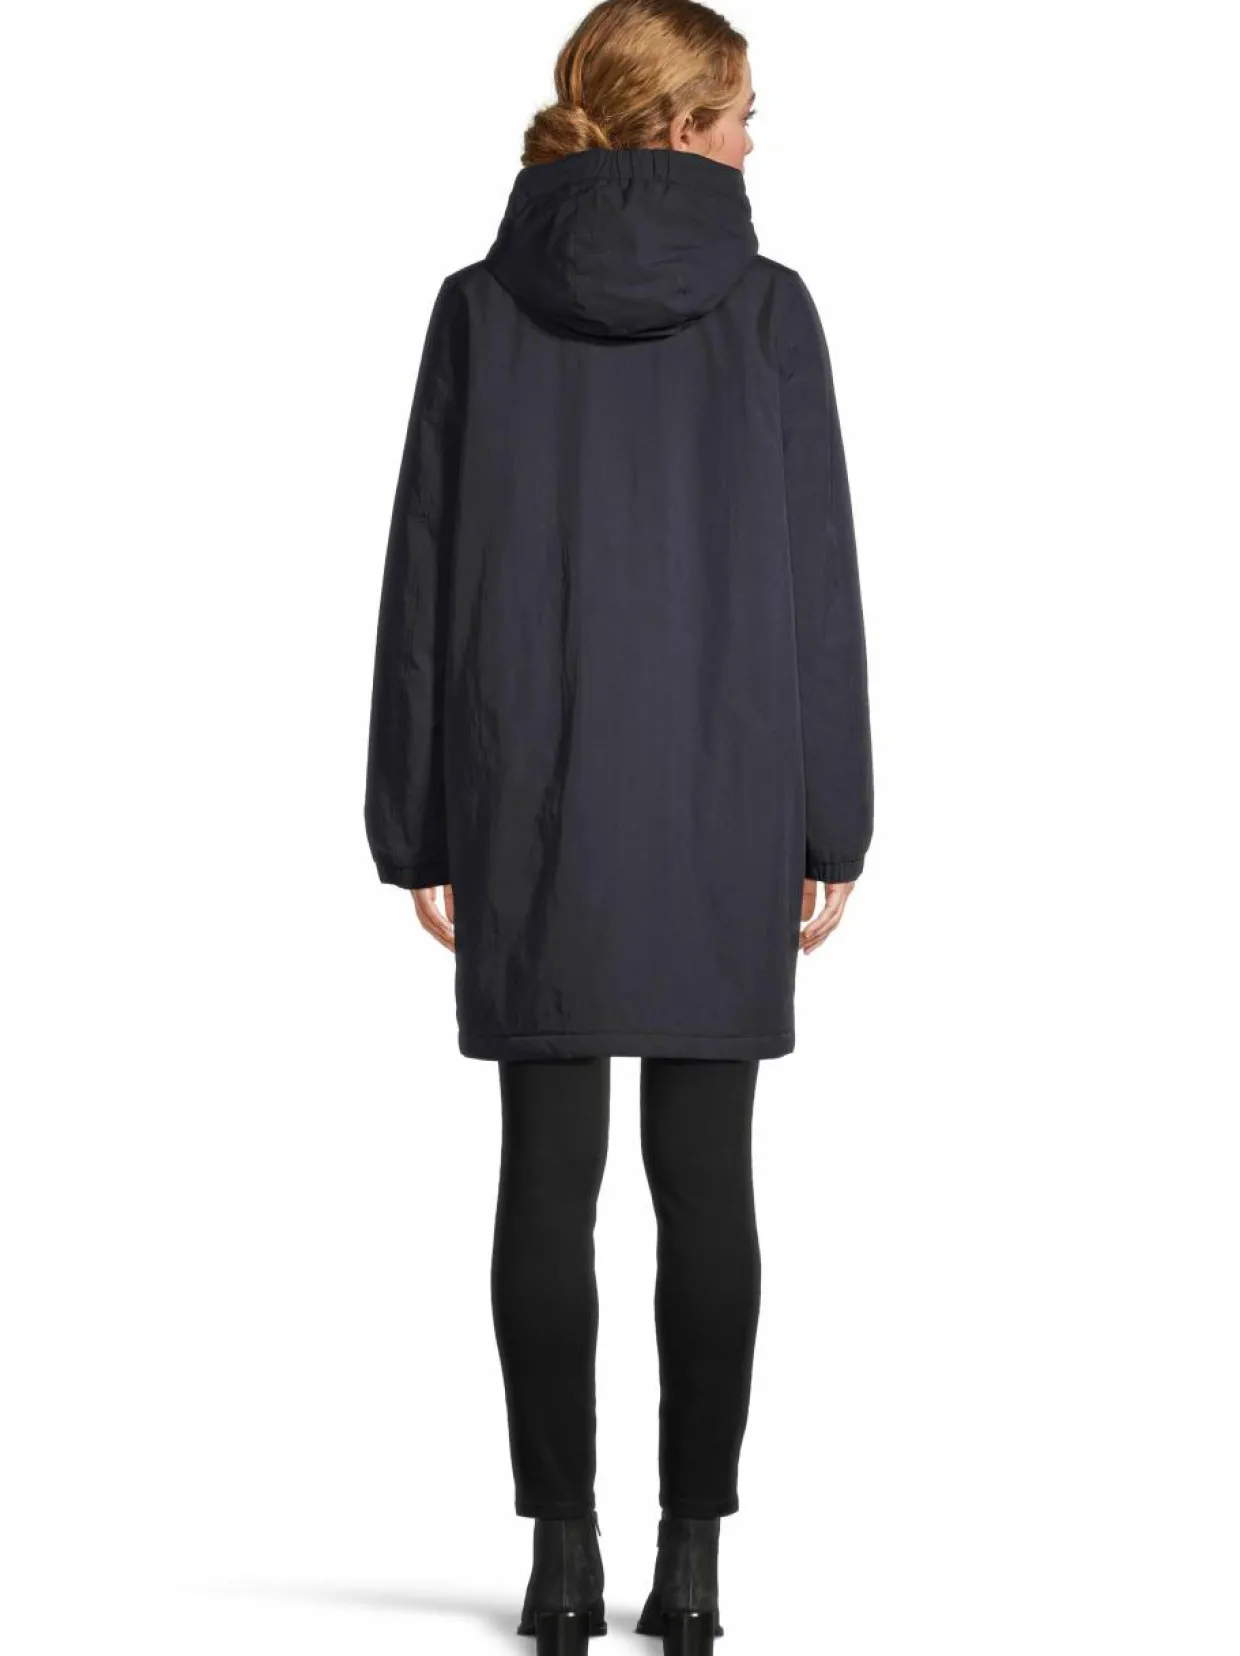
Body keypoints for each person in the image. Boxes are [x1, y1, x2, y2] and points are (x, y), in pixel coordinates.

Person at [363, 0, 874, 1647]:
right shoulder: (772, 311)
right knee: (708, 1179)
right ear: (673, 121)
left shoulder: (477, 307)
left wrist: (417, 820)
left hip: (532, 785)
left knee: (545, 1176)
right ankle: (695, 1567)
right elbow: (817, 586)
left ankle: (564, 1559)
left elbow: (423, 580)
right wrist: (834, 819)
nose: (754, 141)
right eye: (742, 111)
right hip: (728, 788)